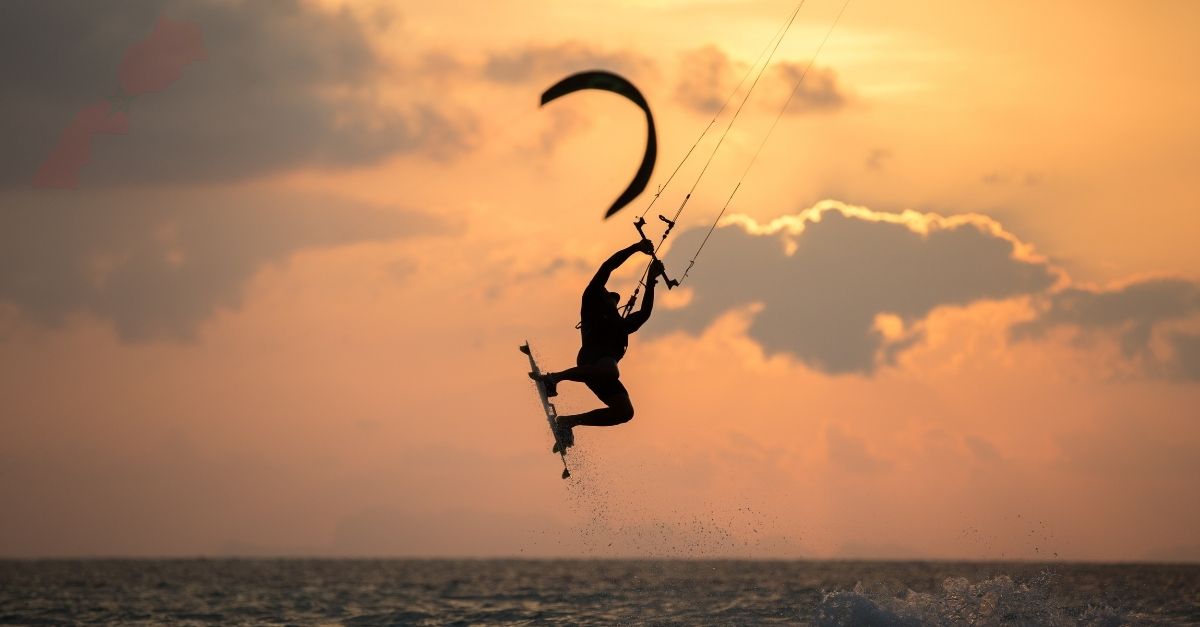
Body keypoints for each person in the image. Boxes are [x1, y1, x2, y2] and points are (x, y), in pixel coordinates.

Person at [533, 238, 665, 451]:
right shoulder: (592, 299)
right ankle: (553, 378)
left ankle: (569, 422)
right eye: (610, 295)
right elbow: (608, 266)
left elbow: (645, 313)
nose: (613, 297)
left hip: (604, 371)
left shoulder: (621, 326)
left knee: (625, 412)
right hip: (591, 360)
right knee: (610, 370)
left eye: (615, 298)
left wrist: (651, 281)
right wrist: (635, 248)